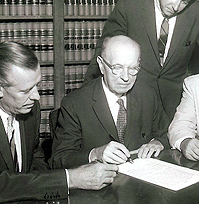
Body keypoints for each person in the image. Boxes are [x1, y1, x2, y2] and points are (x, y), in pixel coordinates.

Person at [0, 41, 118, 203]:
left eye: (37, 85)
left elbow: (35, 158)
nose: (36, 97)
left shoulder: (29, 107)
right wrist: (71, 178)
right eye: (25, 90)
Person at [83, 0, 199, 120]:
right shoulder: (129, 7)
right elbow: (105, 52)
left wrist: (197, 89)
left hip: (175, 104)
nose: (176, 6)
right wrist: (88, 97)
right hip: (134, 99)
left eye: (185, 2)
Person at [51, 35, 170, 169]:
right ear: (101, 65)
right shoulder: (74, 103)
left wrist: (158, 142)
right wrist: (95, 154)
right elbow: (59, 159)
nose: (126, 78)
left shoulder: (148, 95)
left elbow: (167, 132)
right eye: (117, 68)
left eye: (133, 69)